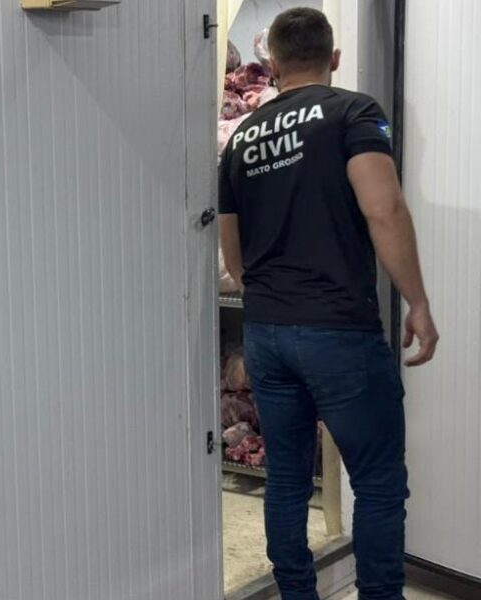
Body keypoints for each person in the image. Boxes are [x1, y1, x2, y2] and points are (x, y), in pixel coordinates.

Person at [218, 8, 439, 600]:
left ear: (272, 62)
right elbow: (384, 208)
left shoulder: (243, 137)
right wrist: (417, 301)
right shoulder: (351, 112)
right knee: (378, 483)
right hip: (338, 327)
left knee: (287, 479)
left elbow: (232, 251)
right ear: (333, 58)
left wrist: (268, 294)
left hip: (267, 330)